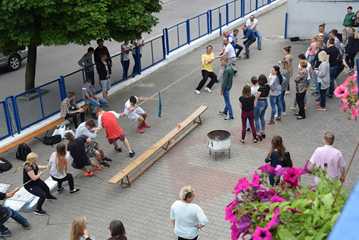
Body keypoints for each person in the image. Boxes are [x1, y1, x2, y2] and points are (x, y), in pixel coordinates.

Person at [255, 74, 270, 140]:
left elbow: (257, 96)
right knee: (262, 117)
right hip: (266, 102)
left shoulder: (260, 88)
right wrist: (264, 96)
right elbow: (269, 95)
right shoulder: (268, 86)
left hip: (260, 102)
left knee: (256, 118)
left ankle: (258, 132)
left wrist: (260, 97)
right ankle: (263, 131)